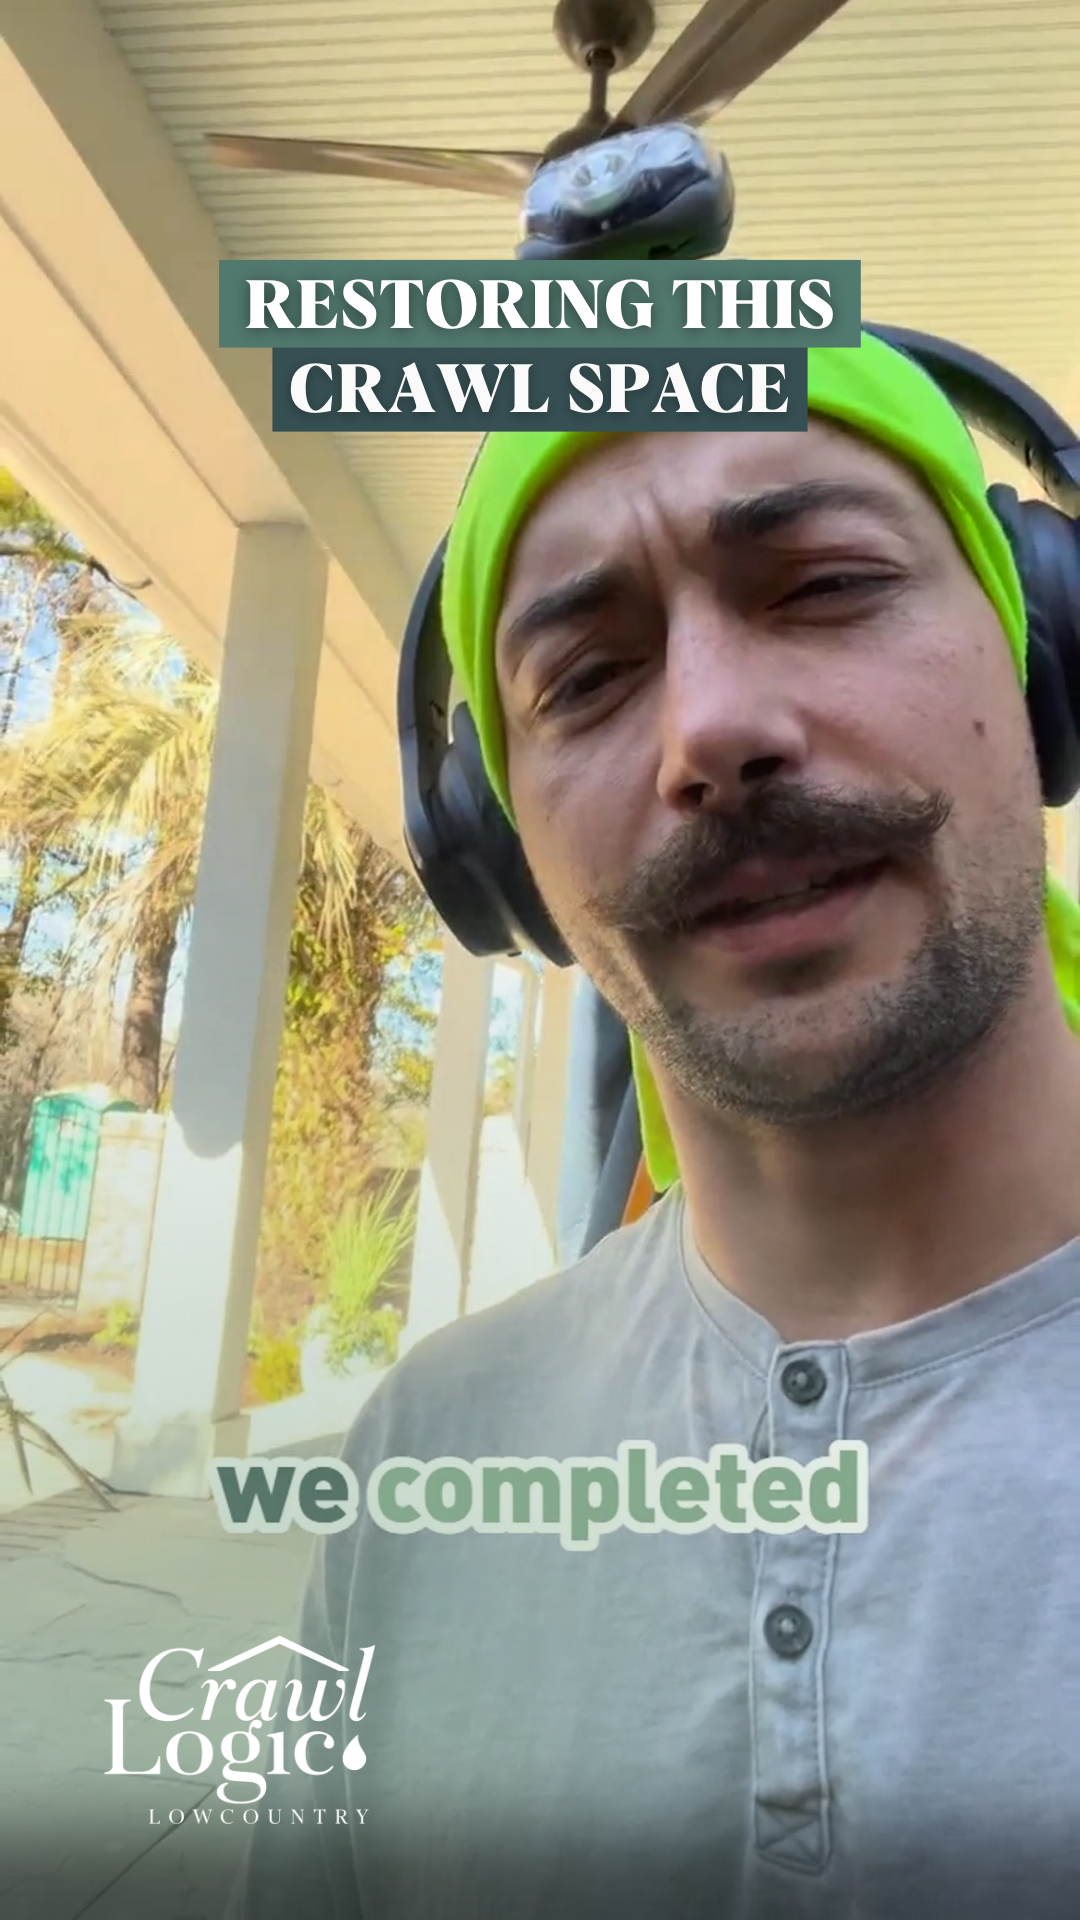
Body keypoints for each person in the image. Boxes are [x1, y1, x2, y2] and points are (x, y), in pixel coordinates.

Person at [230, 335, 1080, 1920]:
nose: (713, 732)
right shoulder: (431, 1453)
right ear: (498, 853)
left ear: (1040, 663)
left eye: (825, 585)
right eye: (592, 679)